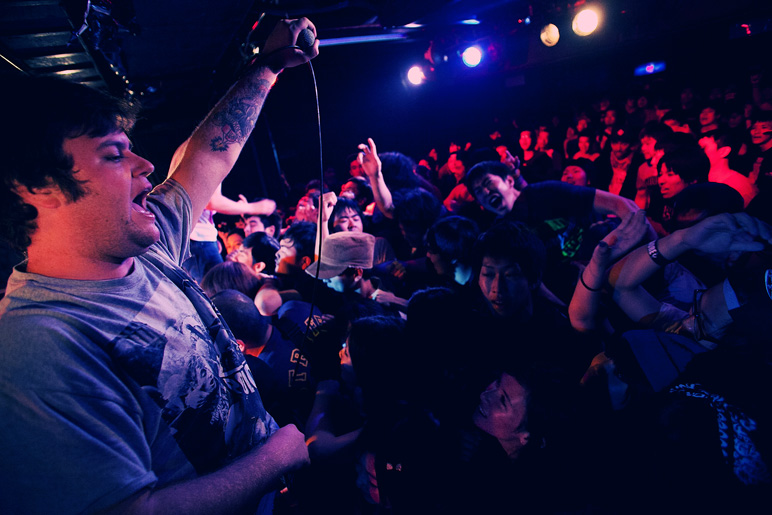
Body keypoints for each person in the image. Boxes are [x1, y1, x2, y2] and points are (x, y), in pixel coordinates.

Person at [0, 18, 318, 514]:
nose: (145, 165)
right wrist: (271, 461)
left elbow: (209, 155)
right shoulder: (38, 345)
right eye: (114, 155)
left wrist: (268, 66)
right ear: (38, 187)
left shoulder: (143, 246)